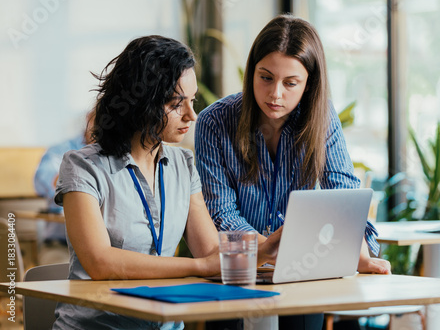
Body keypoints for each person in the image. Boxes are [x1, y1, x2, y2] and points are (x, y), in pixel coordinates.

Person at [52, 35, 281, 330]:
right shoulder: (82, 166)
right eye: (176, 104)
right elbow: (100, 263)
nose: (192, 115)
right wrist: (199, 267)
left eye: (192, 100)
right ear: (141, 102)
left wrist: (268, 247)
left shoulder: (183, 165)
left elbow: (210, 252)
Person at [195, 14, 391, 330]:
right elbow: (222, 213)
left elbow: (343, 196)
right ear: (250, 72)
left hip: (300, 278)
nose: (275, 95)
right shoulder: (214, 122)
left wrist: (359, 253)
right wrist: (271, 251)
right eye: (266, 77)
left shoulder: (321, 118)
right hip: (234, 278)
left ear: (308, 84)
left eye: (290, 83)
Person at [34, 111, 94, 265]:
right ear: (89, 119)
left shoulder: (117, 155)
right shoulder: (61, 150)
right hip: (61, 246)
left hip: (105, 249)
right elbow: (43, 179)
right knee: (55, 274)